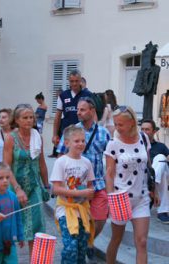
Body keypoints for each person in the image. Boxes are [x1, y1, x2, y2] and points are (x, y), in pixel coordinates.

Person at [56, 97, 111, 260]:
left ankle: (88, 241)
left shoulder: (103, 132)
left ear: (92, 111)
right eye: (78, 109)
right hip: (77, 186)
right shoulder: (73, 130)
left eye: (82, 110)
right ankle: (82, 245)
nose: (78, 112)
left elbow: (110, 158)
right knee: (80, 221)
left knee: (100, 218)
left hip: (98, 183)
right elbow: (61, 153)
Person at [104, 106, 159, 264]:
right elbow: (109, 173)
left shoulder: (143, 138)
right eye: (115, 124)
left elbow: (148, 166)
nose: (117, 127)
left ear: (131, 123)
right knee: (116, 239)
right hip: (120, 198)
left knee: (142, 242)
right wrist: (110, 198)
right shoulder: (113, 144)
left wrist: (154, 190)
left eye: (120, 124)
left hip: (141, 198)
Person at [3, 103, 49, 256]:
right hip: (14, 187)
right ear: (17, 120)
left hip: (34, 186)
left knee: (37, 228)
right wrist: (16, 188)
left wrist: (46, 185)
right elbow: (6, 167)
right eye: (25, 118)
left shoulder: (38, 137)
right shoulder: (11, 138)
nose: (29, 120)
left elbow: (42, 163)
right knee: (12, 229)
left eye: (31, 117)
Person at [50, 125, 95, 264]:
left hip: (82, 211)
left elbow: (90, 186)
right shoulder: (61, 161)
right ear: (67, 142)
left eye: (83, 140)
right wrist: (80, 192)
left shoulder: (87, 162)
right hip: (66, 210)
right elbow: (56, 189)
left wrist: (89, 193)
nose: (81, 143)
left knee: (81, 249)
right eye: (77, 141)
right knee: (70, 248)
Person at [51, 70, 92, 158]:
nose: (74, 84)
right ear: (69, 81)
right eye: (72, 81)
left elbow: (93, 114)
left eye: (76, 81)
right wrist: (55, 134)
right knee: (63, 159)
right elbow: (57, 116)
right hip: (66, 133)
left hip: (82, 134)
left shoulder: (88, 94)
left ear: (80, 80)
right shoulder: (63, 95)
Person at [141, 119, 169, 223]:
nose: (144, 131)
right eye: (142, 129)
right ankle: (162, 211)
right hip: (143, 174)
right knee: (163, 174)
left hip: (153, 178)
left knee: (161, 158)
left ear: (154, 132)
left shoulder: (161, 146)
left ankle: (153, 186)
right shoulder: (136, 145)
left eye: (147, 129)